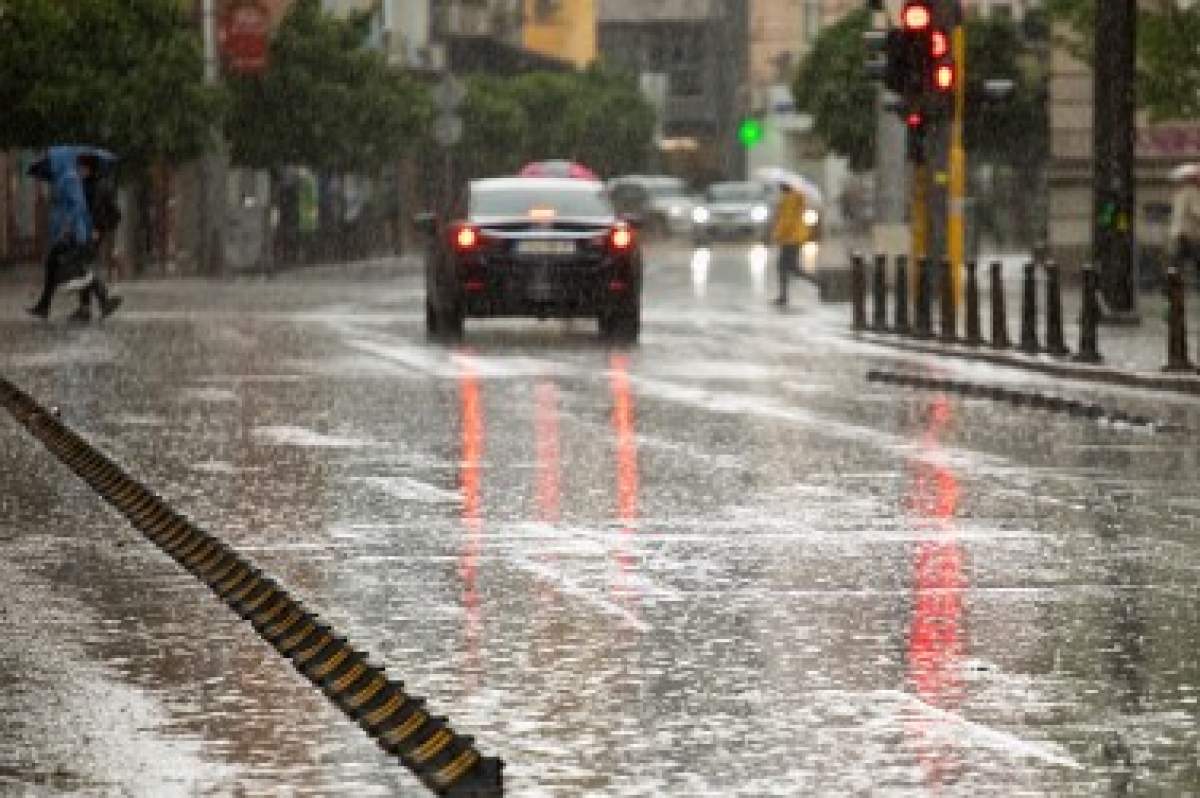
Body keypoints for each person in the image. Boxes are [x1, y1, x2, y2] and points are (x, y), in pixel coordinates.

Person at [27, 150, 98, 319]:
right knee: (67, 267)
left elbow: (76, 206)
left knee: (73, 268)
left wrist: (67, 227)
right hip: (71, 232)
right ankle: (45, 305)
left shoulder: (69, 179)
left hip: (71, 234)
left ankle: (95, 302)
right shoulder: (67, 179)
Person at [70, 156, 123, 321]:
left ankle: (103, 301)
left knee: (83, 268)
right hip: (85, 231)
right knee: (82, 268)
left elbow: (103, 211)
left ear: (89, 168)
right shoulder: (88, 184)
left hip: (90, 232)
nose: (79, 170)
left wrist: (98, 228)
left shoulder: (95, 186)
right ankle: (85, 307)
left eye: (81, 167)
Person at [771, 182, 809, 307]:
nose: (779, 189)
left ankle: (820, 283)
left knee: (787, 267)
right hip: (794, 237)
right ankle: (783, 296)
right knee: (787, 267)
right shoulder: (794, 198)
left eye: (781, 187)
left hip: (790, 238)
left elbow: (787, 221)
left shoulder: (789, 200)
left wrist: (777, 235)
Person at [1169, 167, 1200, 287]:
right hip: (1189, 234)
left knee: (1176, 261)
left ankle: (1172, 283)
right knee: (1196, 260)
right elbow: (1197, 211)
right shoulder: (1192, 192)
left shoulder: (1178, 193)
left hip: (1177, 234)